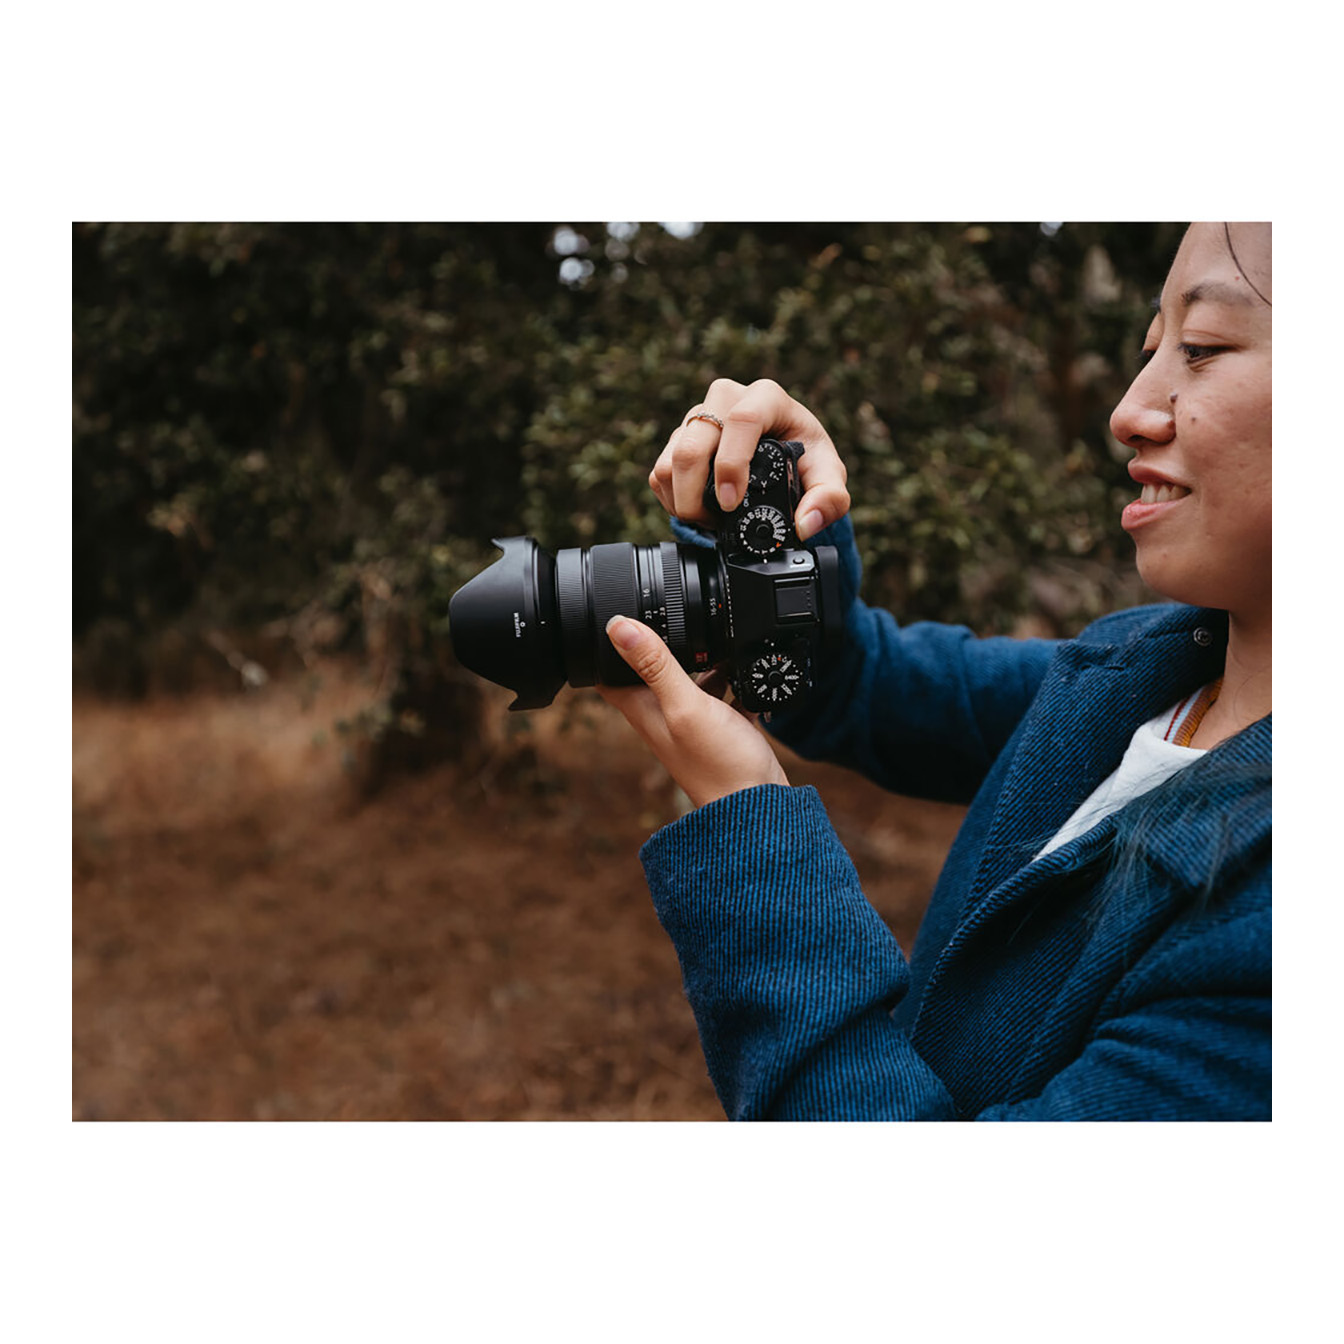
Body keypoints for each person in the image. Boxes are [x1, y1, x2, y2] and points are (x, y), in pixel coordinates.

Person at [595, 222, 1271, 1121]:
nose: (1129, 410)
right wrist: (774, 515)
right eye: (1153, 347)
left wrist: (750, 825)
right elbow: (862, 685)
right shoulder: (1141, 671)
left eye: (1203, 347)